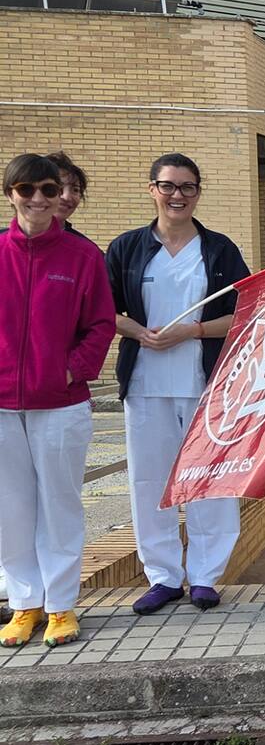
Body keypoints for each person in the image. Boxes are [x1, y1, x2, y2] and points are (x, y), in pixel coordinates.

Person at [106, 153, 249, 615]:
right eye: (168, 186)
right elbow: (103, 310)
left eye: (187, 187)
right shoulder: (127, 248)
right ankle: (164, 577)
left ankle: (206, 576)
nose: (177, 196)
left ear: (198, 192)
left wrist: (193, 331)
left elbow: (244, 311)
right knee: (150, 482)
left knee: (209, 481)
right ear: (152, 189)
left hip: (205, 385)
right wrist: (137, 332)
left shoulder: (218, 249)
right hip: (146, 383)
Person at [0, 154, 115, 648]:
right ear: (11, 194)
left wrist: (72, 369)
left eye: (48, 190)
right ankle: (25, 604)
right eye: (27, 190)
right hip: (3, 404)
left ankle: (62, 605)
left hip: (62, 403)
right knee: (11, 508)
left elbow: (101, 324)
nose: (39, 200)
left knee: (59, 504)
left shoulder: (81, 256)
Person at [45, 151, 89, 238]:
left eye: (76, 190)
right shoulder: (11, 244)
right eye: (58, 187)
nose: (67, 197)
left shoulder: (86, 249)